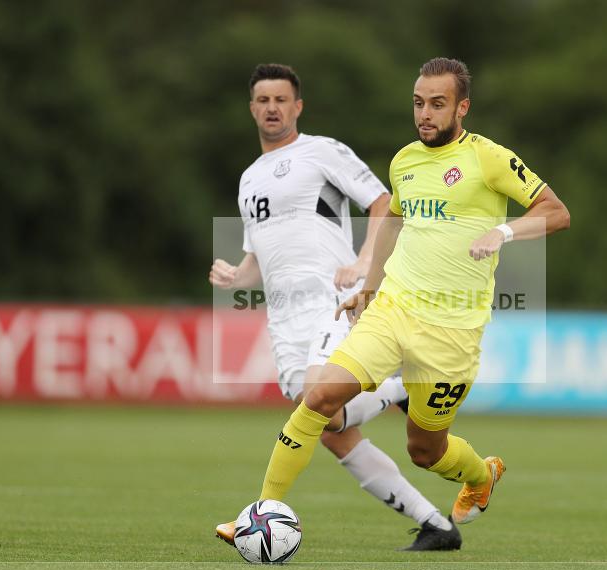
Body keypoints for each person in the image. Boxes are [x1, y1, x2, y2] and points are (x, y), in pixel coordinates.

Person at [216, 57, 569, 541]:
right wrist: (370, 286)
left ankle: (481, 476)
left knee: (425, 451)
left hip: (452, 331)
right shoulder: (404, 161)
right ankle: (261, 512)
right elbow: (394, 223)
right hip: (393, 310)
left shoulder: (488, 158)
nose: (425, 114)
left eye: (438, 104)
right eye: (419, 104)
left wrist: (503, 231)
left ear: (462, 107)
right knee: (318, 397)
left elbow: (556, 212)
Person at [210, 64, 460, 551]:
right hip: (284, 318)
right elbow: (258, 256)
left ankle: (262, 512)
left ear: (297, 106)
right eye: (263, 100)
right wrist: (236, 277)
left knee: (316, 398)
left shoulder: (320, 151)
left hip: (333, 301)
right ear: (252, 108)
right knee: (331, 428)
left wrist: (366, 263)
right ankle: (435, 524)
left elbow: (384, 202)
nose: (272, 108)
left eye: (281, 99)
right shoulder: (248, 179)